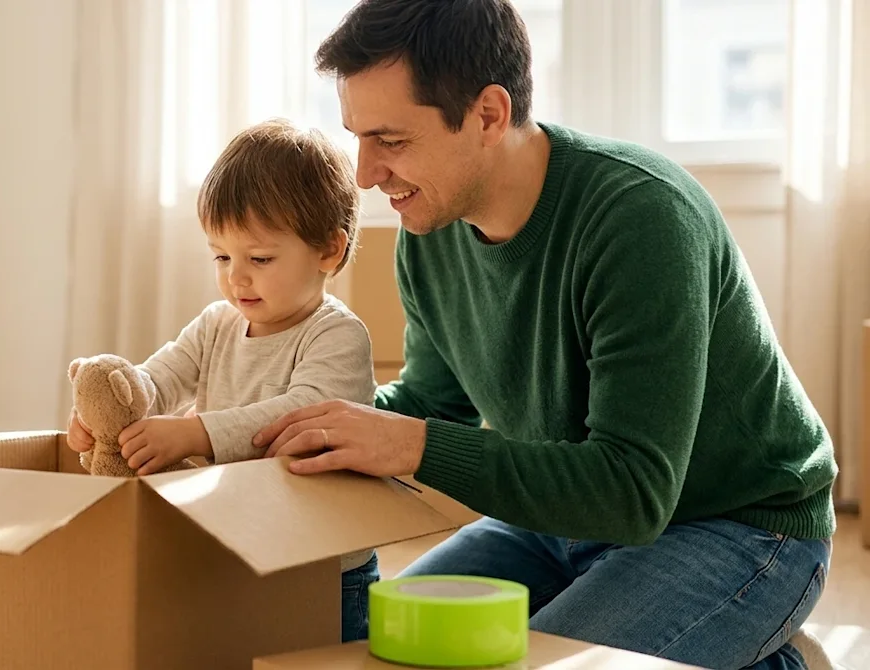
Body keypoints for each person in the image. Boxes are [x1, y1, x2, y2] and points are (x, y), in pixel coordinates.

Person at [251, 1, 838, 667]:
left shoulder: (642, 218)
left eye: (392, 141)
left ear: (489, 116)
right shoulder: (430, 230)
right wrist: (277, 422)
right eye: (356, 137)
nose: (364, 175)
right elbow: (429, 404)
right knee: (383, 652)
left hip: (738, 528)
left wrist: (410, 445)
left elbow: (632, 491)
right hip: (557, 523)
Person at [65, 118, 381, 642]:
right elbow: (159, 378)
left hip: (326, 569)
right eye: (221, 256)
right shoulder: (217, 324)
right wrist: (109, 410)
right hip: (239, 550)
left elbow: (301, 414)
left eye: (259, 258)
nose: (236, 276)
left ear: (328, 251)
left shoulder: (337, 335)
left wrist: (195, 434)